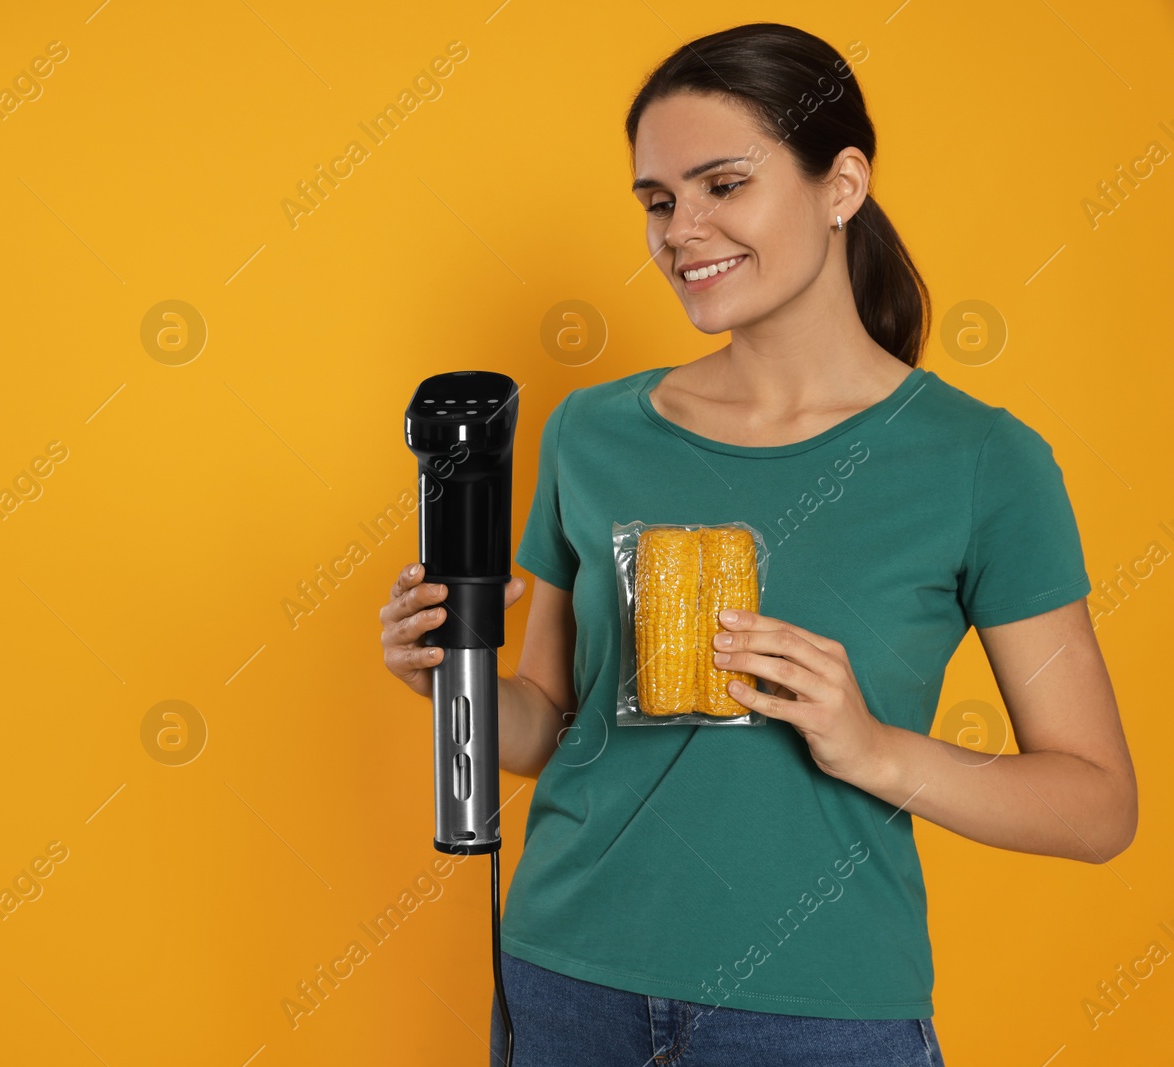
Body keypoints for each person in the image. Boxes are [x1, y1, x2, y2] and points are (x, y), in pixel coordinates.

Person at [378, 21, 1136, 1067]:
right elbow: (551, 724)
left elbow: (1096, 804)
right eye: (656, 200)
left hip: (818, 1010)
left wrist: (871, 747)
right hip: (566, 982)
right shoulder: (591, 432)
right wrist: (447, 668)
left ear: (842, 184)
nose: (681, 228)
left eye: (722, 184)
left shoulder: (980, 462)